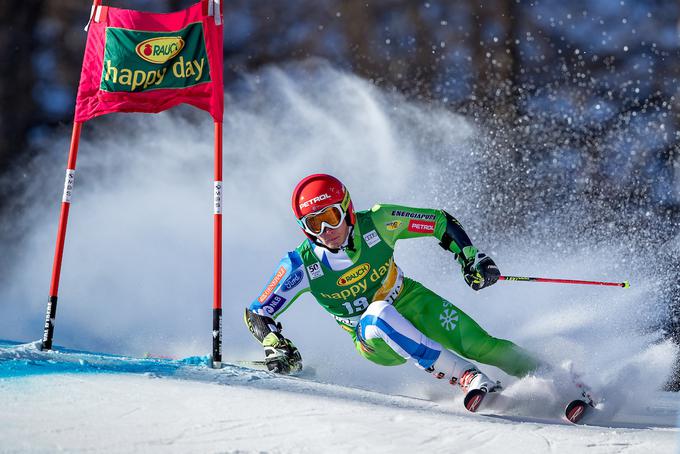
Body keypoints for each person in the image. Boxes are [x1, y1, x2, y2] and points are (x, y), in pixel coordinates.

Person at [244, 173, 541, 411]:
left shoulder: (380, 221)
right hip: (369, 336)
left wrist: (470, 257)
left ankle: (551, 376)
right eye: (314, 223)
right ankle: (467, 376)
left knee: (481, 344)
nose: (326, 230)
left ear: (346, 209)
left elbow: (439, 222)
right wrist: (276, 344)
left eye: (331, 217)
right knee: (377, 314)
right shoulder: (301, 265)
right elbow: (258, 311)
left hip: (410, 299)